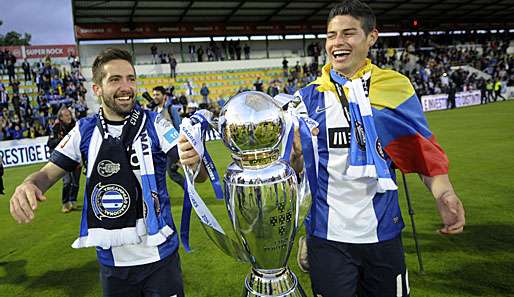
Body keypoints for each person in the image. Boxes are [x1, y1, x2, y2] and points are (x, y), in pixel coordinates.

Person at [290, 1, 465, 296]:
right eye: (331, 35)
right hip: (327, 237)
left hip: (383, 234)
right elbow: (295, 172)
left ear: (371, 37)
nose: (337, 43)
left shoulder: (395, 88)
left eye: (349, 33)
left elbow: (420, 150)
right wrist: (294, 155)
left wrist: (444, 193)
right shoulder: (306, 99)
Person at [9, 48, 184, 297]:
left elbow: (194, 171)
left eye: (131, 78)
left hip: (161, 258)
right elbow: (46, 175)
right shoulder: (84, 130)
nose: (126, 87)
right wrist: (28, 184)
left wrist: (194, 159)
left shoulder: (155, 123)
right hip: (113, 264)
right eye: (115, 79)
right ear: (97, 89)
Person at [46, 106, 81, 213]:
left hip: (76, 157)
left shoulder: (76, 125)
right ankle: (65, 203)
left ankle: (73, 201)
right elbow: (50, 143)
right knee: (67, 181)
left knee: (75, 182)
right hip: (63, 158)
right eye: (66, 115)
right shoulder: (56, 127)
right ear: (60, 117)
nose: (69, 117)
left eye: (69, 115)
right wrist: (61, 140)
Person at [152, 86, 185, 192]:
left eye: (157, 94)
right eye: (154, 95)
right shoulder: (154, 111)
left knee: (171, 172)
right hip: (159, 148)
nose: (155, 97)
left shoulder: (171, 109)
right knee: (158, 173)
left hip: (171, 146)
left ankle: (189, 191)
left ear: (164, 96)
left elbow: (179, 127)